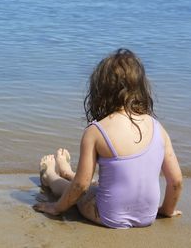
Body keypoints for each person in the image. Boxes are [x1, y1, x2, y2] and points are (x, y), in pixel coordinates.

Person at [33, 48, 183, 228]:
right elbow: (176, 181)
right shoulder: (159, 129)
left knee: (76, 189)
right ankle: (66, 171)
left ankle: (50, 176)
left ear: (100, 90)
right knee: (97, 184)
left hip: (108, 215)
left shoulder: (96, 131)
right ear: (141, 87)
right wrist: (166, 210)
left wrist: (56, 208)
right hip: (147, 217)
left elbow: (80, 186)